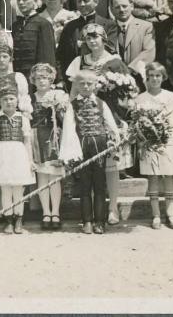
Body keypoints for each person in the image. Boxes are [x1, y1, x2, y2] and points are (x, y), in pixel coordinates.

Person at [59, 70, 120, 234]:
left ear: (95, 85)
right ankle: (87, 220)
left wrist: (115, 140)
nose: (86, 86)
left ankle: (100, 221)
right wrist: (70, 152)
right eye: (82, 83)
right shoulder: (72, 105)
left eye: (89, 83)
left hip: (99, 146)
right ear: (76, 85)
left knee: (99, 184)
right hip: (81, 146)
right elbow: (68, 129)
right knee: (85, 185)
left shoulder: (101, 103)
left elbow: (110, 124)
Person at [135, 63, 173, 230]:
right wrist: (141, 143)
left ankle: (170, 215)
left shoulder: (170, 97)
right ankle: (156, 215)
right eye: (151, 75)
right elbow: (137, 124)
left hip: (167, 140)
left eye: (158, 75)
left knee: (168, 176)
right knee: (153, 177)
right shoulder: (140, 98)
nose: (154, 79)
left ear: (163, 77)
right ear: (147, 77)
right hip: (149, 143)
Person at [0, 82, 34, 235]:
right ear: (0, 102)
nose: (8, 102)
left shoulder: (23, 119)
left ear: (17, 100)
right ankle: (8, 219)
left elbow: (27, 141)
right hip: (2, 155)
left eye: (11, 99)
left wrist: (30, 160)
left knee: (18, 189)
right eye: (5, 99)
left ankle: (18, 219)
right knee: (5, 189)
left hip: (18, 155)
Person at [29, 63, 69, 230]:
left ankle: (56, 212)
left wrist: (59, 107)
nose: (41, 81)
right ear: (33, 80)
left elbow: (65, 119)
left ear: (51, 79)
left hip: (53, 137)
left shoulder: (58, 95)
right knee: (42, 176)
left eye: (45, 78)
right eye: (38, 78)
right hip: (36, 138)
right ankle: (46, 212)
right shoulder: (29, 98)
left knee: (54, 176)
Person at [11, 0, 56, 80]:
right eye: (18, 0)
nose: (21, 3)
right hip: (17, 77)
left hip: (35, 79)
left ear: (35, 1)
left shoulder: (43, 24)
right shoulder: (15, 25)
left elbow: (47, 56)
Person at [107, 0, 157, 74]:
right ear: (112, 9)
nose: (121, 10)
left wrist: (130, 69)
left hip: (137, 75)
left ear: (131, 6)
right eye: (117, 7)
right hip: (113, 75)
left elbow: (149, 52)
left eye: (124, 6)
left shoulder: (146, 26)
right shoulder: (108, 28)